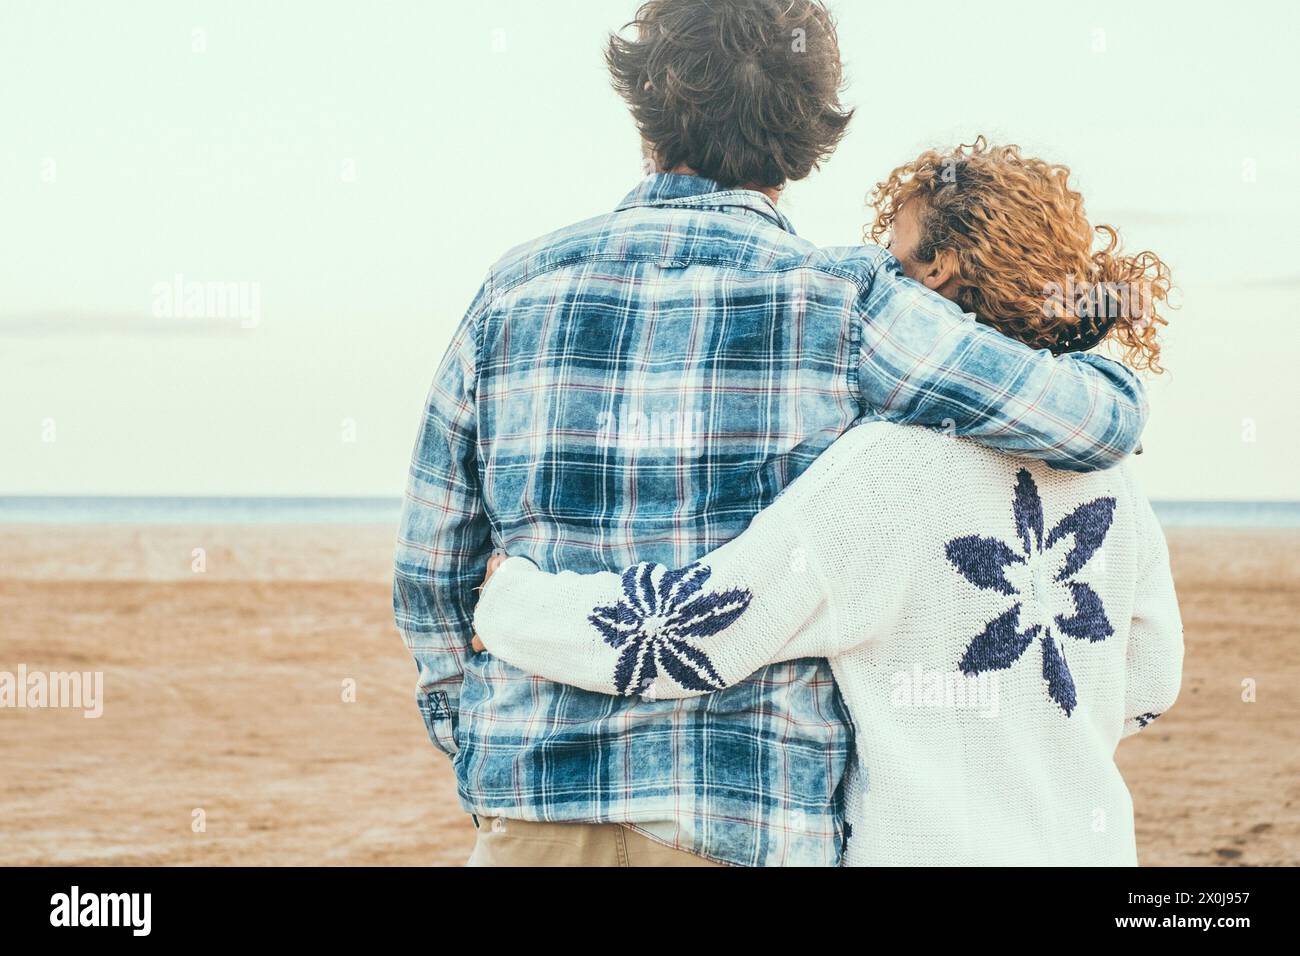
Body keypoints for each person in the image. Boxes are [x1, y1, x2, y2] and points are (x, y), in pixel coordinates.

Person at [394, 0, 1147, 868]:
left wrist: (477, 743)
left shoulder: (514, 292)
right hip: (749, 820)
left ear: (645, 110)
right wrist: (1111, 369)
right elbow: (1090, 424)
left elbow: (430, 570)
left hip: (533, 807)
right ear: (806, 138)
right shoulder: (847, 302)